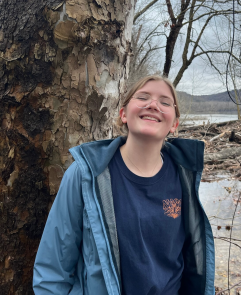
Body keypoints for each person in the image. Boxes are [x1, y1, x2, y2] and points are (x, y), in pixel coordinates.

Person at [33, 75, 215, 295]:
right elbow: (53, 271)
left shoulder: (185, 177)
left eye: (165, 102)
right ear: (123, 114)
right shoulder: (86, 175)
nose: (153, 105)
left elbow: (190, 262)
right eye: (143, 97)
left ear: (174, 124)